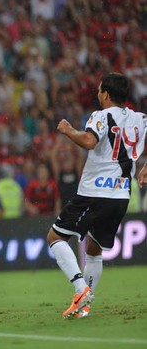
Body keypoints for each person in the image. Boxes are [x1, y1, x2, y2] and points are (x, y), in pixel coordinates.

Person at [47, 73, 147, 319]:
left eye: (99, 89)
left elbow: (90, 141)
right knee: (94, 248)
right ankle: (86, 303)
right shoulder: (140, 119)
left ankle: (81, 290)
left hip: (95, 191)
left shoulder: (101, 116)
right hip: (121, 195)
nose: (97, 92)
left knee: (55, 236)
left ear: (106, 94)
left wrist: (69, 130)